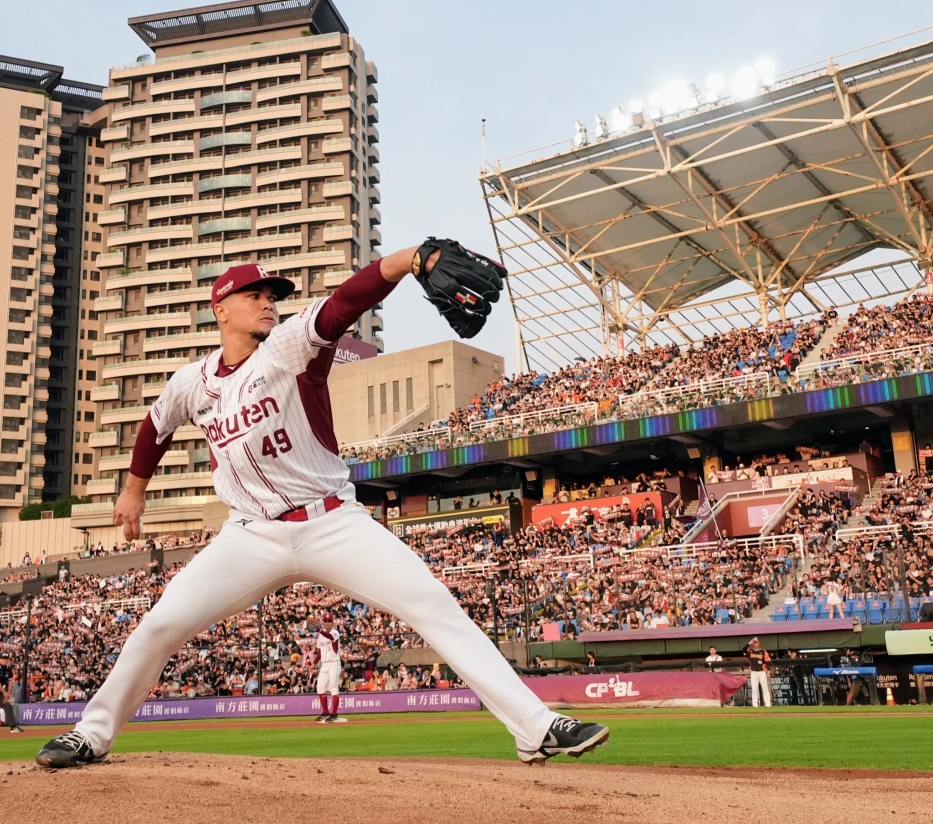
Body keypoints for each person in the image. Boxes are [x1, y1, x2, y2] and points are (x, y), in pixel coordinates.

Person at [35, 246, 608, 769]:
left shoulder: (287, 348)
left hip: (332, 521)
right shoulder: (193, 382)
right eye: (254, 295)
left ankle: (535, 728)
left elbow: (342, 304)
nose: (267, 303)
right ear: (221, 310)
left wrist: (409, 259)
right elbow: (154, 428)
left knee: (432, 602)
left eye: (272, 296)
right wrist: (134, 488)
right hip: (249, 536)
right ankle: (91, 733)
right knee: (160, 624)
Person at [310, 613, 345, 723]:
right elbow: (320, 651)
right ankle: (325, 712)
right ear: (323, 622)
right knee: (320, 688)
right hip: (324, 664)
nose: (327, 622)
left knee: (334, 688)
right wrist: (314, 663)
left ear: (333, 622)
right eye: (325, 620)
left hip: (334, 662)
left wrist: (320, 631)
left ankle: (334, 714)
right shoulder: (321, 635)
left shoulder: (335, 632)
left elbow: (330, 637)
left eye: (329, 621)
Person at [743, 637, 773, 707]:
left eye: (757, 642)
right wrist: (749, 643)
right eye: (755, 642)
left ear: (759, 643)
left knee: (765, 689)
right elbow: (743, 649)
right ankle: (755, 705)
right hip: (753, 672)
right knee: (754, 690)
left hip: (762, 672)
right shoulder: (750, 651)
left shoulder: (763, 651)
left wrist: (768, 671)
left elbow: (767, 662)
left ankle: (768, 704)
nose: (756, 644)